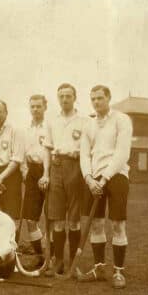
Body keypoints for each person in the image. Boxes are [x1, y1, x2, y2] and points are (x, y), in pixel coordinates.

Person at [78, 85, 134, 288]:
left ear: (108, 98)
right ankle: (99, 267)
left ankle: (118, 272)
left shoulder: (121, 120)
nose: (96, 102)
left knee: (118, 224)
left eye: (100, 98)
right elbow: (84, 154)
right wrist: (89, 178)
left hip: (116, 176)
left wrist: (104, 178)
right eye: (93, 98)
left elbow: (122, 153)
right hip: (94, 178)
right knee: (96, 224)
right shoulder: (89, 124)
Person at [40, 83, 92, 277]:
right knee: (58, 219)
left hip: (76, 167)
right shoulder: (52, 121)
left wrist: (78, 153)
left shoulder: (85, 120)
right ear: (58, 98)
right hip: (56, 167)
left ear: (74, 97)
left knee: (74, 219)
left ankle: (74, 263)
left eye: (68, 96)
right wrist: (45, 173)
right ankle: (59, 262)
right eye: (61, 96)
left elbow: (89, 147)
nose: (64, 99)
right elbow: (47, 148)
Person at [20, 94, 49, 259]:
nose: (35, 109)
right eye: (33, 106)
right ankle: (40, 255)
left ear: (45, 107)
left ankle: (53, 257)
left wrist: (46, 173)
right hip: (32, 172)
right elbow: (23, 152)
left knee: (52, 219)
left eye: (39, 106)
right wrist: (25, 171)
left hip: (48, 172)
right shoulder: (26, 129)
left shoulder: (50, 127)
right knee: (30, 219)